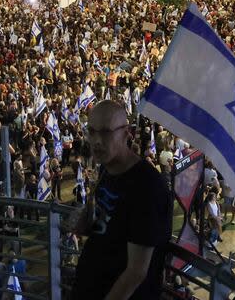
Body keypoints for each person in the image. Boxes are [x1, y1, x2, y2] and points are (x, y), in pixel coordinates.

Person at [72, 100, 171, 300]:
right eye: (91, 131)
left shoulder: (146, 185)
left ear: (126, 133)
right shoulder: (107, 169)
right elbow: (109, 227)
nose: (97, 140)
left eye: (106, 132)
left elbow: (136, 272)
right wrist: (86, 223)